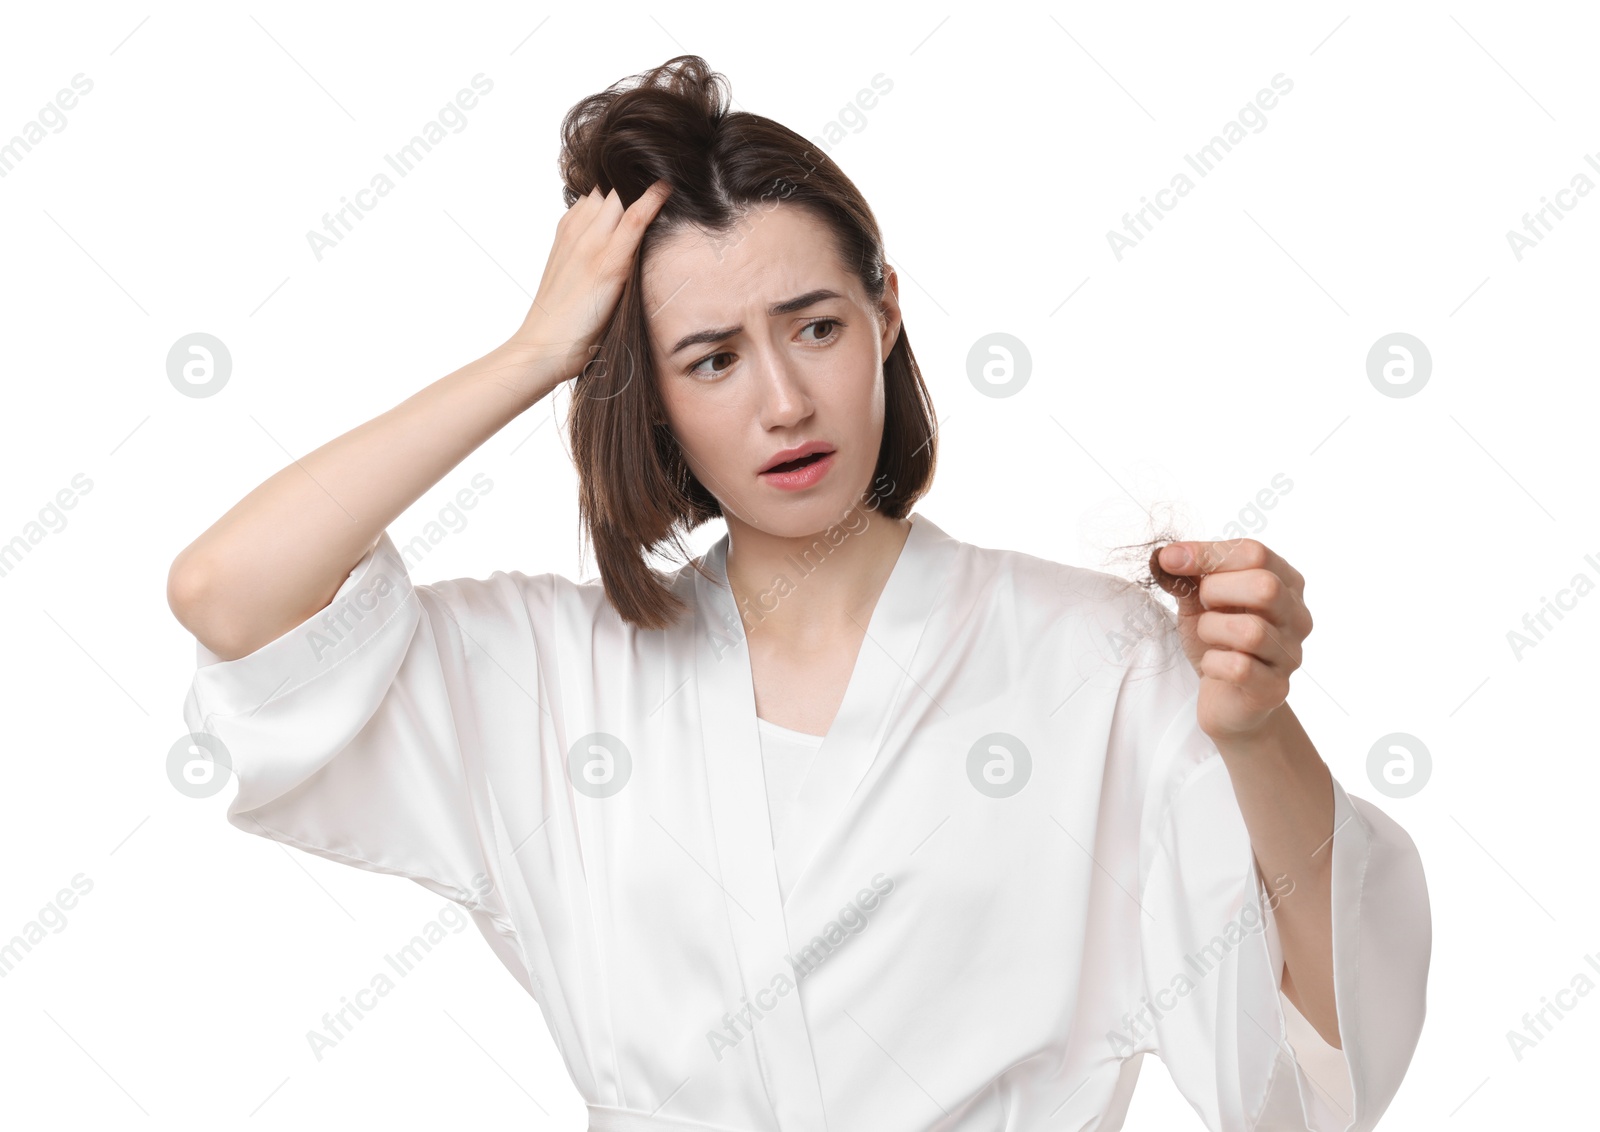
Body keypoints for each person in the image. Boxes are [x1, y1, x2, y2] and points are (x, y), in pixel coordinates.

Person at [168, 55, 1429, 1131]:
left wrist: (1258, 734)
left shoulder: (1090, 660)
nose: (781, 401)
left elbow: (1320, 1073)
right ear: (647, 392)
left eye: (815, 325)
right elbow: (230, 595)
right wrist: (534, 351)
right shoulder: (554, 676)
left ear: (884, 314)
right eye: (710, 358)